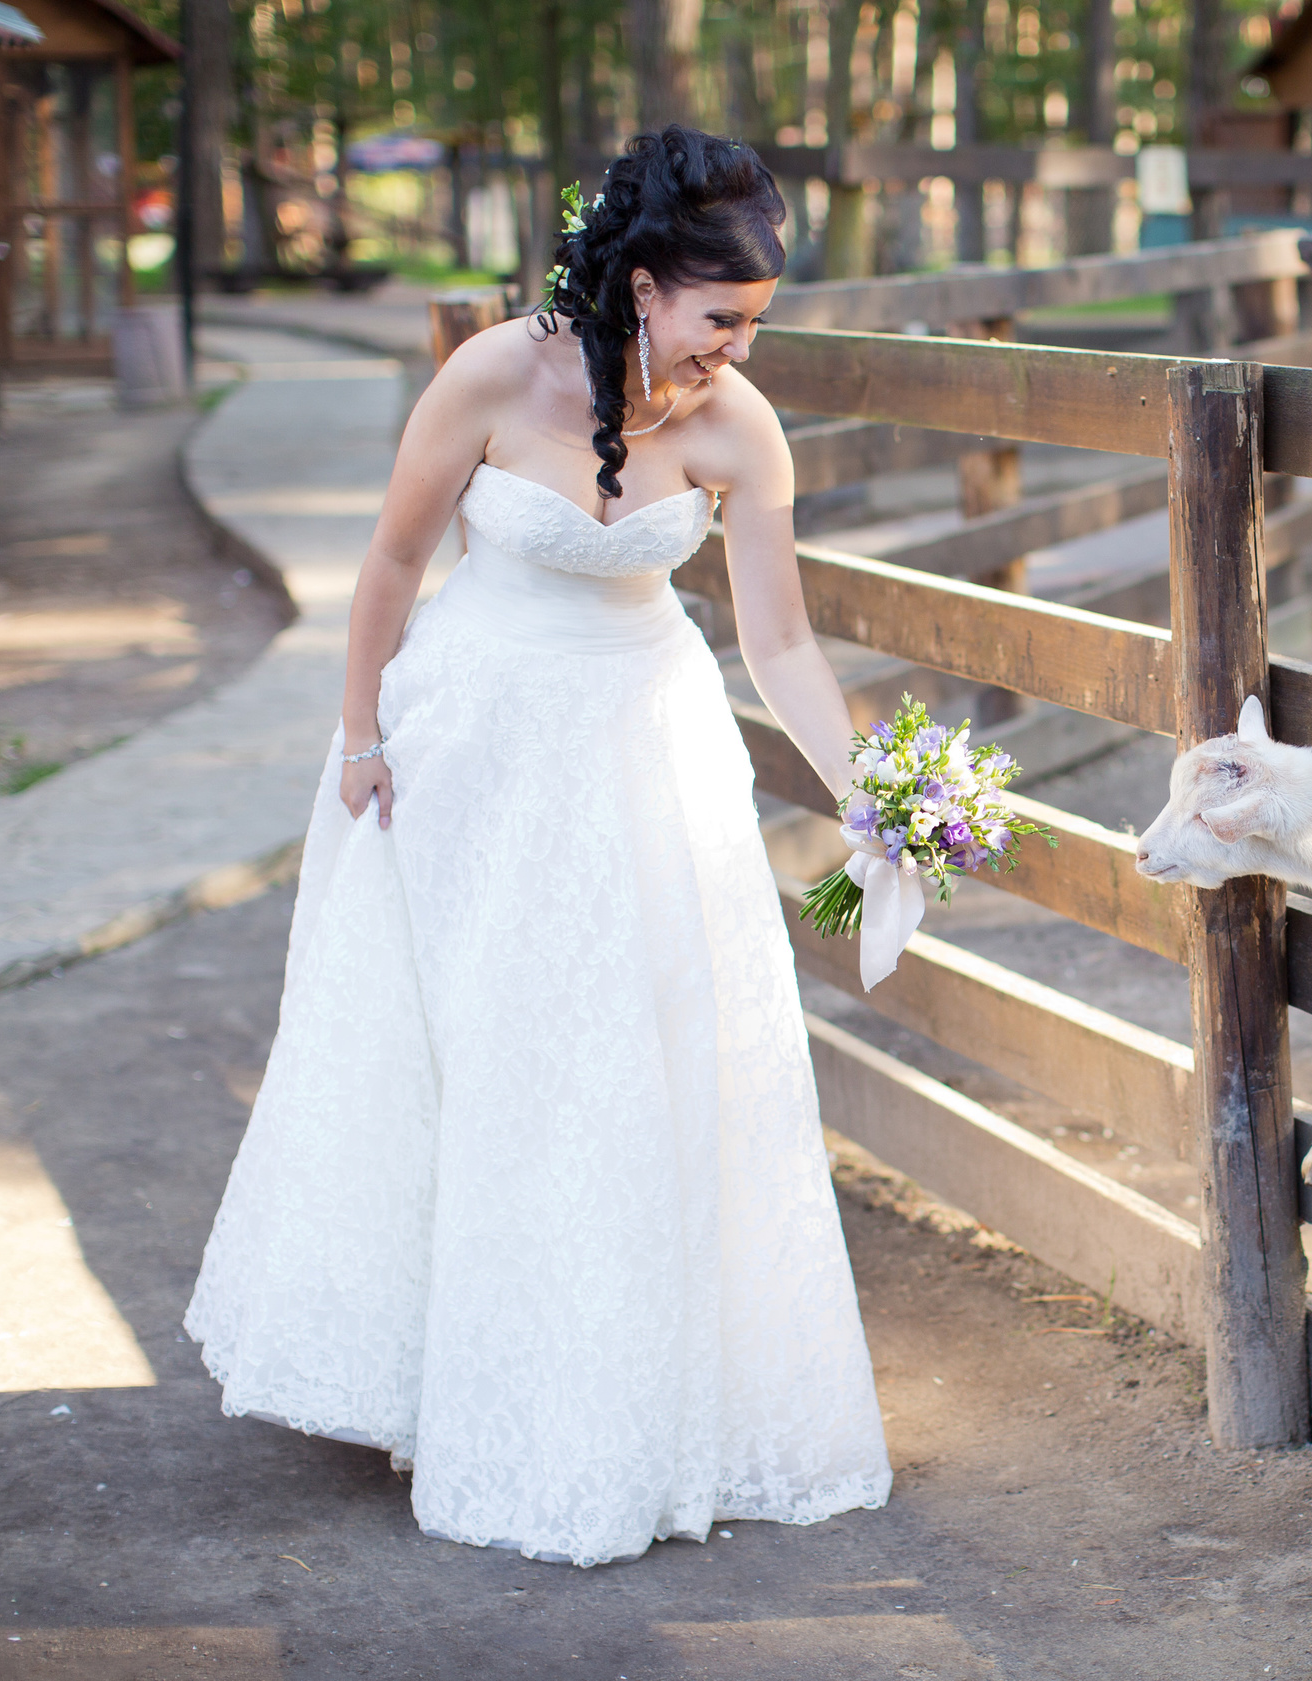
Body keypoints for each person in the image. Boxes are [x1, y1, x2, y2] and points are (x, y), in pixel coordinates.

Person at [183, 126, 891, 1567]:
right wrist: (362, 730)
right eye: (721, 318)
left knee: (629, 1074)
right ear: (641, 283)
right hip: (476, 751)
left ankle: (624, 1396)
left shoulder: (739, 428)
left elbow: (782, 639)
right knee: (495, 1062)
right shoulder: (497, 375)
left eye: (754, 323)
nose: (738, 352)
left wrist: (873, 792)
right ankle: (462, 1378)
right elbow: (390, 558)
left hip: (645, 757)